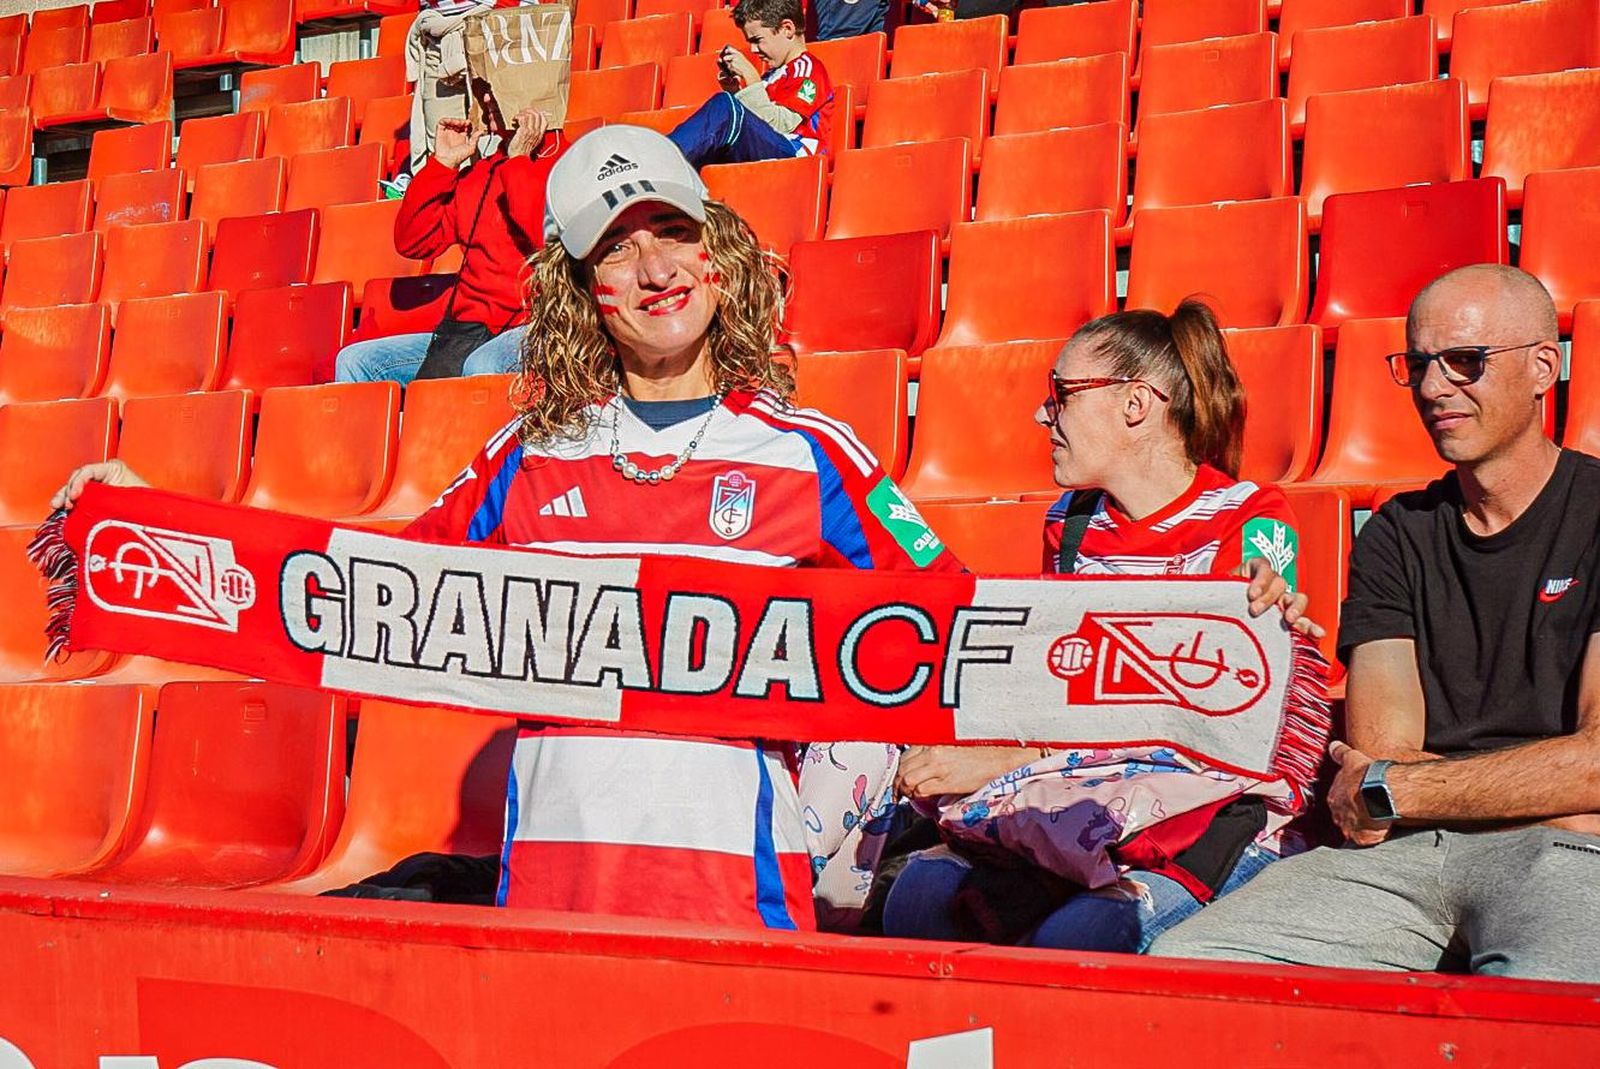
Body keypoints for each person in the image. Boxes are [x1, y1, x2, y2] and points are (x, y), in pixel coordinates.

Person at [54, 125, 961, 931]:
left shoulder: (814, 453)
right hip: (550, 903)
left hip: (738, 905)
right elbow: (362, 590)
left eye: (675, 232)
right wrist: (156, 522)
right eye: (617, 249)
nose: (656, 270)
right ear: (578, 288)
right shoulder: (528, 455)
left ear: (717, 250)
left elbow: (957, 619)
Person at [1150, 266, 1600, 982]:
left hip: (1562, 860)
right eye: (1418, 365)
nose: (1432, 388)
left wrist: (1403, 787)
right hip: (1408, 855)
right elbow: (1377, 759)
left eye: (1464, 361)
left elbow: (1595, 761)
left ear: (1545, 366)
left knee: (1546, 1010)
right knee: (1188, 964)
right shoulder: (1398, 531)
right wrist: (1541, 791)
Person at [878, 300, 1326, 953]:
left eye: (1060, 394)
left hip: (1204, 815)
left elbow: (1212, 727)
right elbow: (1059, 687)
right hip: (1087, 800)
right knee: (918, 897)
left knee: (1086, 933)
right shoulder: (1071, 522)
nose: (1042, 415)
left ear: (1136, 404)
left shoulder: (1250, 518)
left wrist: (1013, 759)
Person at [332, 107, 563, 387]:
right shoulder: (481, 174)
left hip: (539, 328)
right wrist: (442, 165)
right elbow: (413, 242)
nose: (487, 99)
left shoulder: (567, 162)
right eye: (483, 89)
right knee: (356, 361)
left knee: (483, 364)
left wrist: (519, 160)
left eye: (492, 89)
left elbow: (546, 237)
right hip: (467, 332)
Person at [667, 0, 835, 168]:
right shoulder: (772, 76)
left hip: (796, 158)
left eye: (758, 40)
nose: (753, 49)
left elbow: (781, 125)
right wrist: (736, 91)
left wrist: (751, 79)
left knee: (725, 106)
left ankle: (662, 160)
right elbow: (758, 121)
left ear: (787, 29)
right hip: (771, 152)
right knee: (721, 122)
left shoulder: (807, 69)